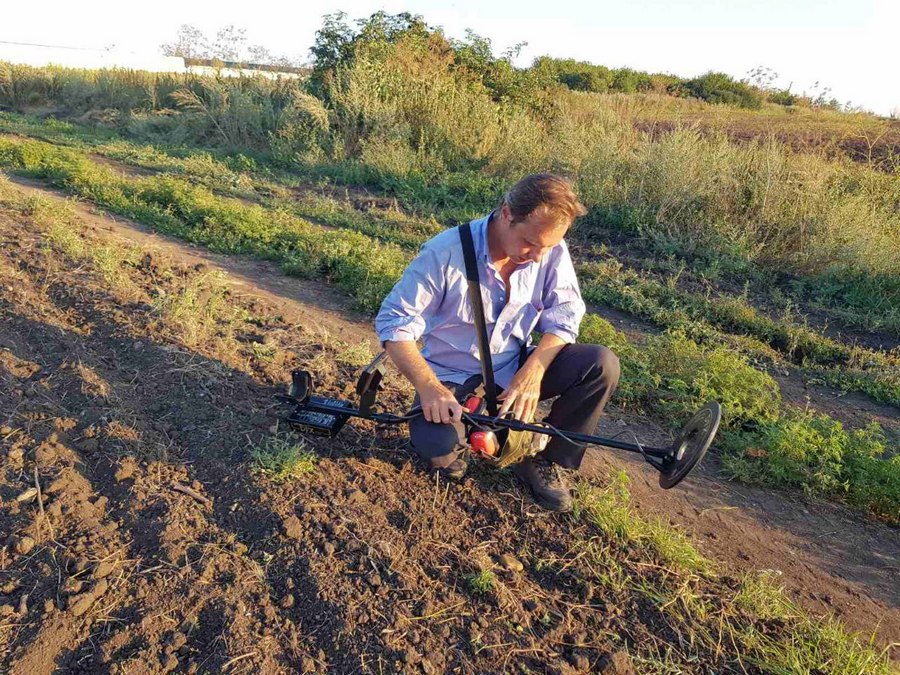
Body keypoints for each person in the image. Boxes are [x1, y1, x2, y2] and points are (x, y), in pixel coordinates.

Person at [374, 173, 620, 512]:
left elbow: (565, 314)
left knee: (600, 363)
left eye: (546, 247)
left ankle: (548, 461)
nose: (537, 256)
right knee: (442, 453)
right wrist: (429, 387)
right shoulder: (444, 253)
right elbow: (394, 321)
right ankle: (475, 432)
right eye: (530, 243)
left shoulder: (548, 248)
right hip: (452, 377)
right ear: (506, 213)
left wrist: (534, 370)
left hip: (515, 366)